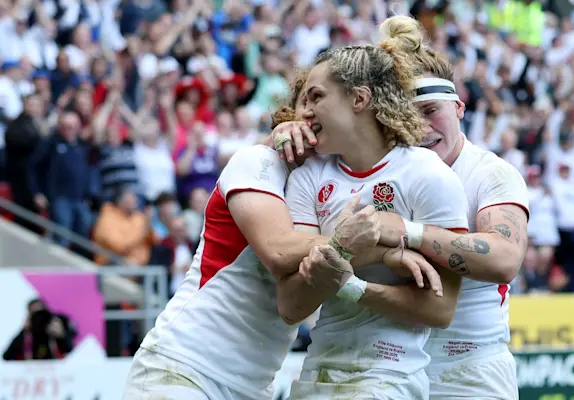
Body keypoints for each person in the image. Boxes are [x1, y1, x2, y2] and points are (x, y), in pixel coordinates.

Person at [122, 71, 439, 400]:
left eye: (322, 100)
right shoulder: (257, 161)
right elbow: (278, 251)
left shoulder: (330, 187)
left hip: (252, 385)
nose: (314, 112)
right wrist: (386, 245)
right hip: (185, 367)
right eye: (307, 101)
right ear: (291, 114)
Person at [273, 16, 530, 399]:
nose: (422, 128)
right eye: (410, 113)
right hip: (394, 364)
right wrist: (284, 131)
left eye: (431, 111)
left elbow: (505, 260)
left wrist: (405, 232)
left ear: (459, 107)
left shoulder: (489, 173)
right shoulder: (370, 167)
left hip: (467, 368)